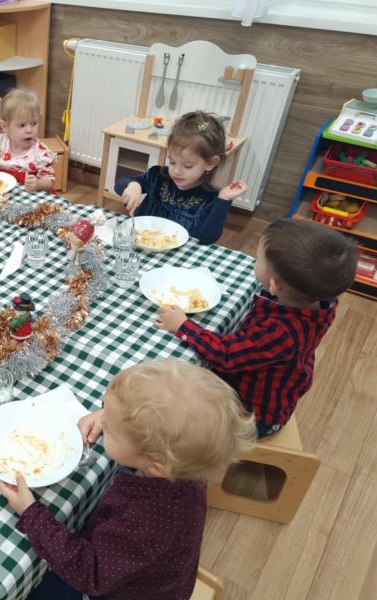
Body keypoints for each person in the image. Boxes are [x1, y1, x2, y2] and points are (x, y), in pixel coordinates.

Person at [0, 360, 256, 599]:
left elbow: (90, 573)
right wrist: (109, 417)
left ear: (156, 465)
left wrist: (32, 514)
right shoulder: (184, 466)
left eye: (111, 429)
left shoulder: (147, 523)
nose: (104, 422)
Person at [157, 219, 357, 437]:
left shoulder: (279, 332)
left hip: (252, 417)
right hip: (260, 382)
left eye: (258, 258)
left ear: (274, 285)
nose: (255, 259)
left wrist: (183, 326)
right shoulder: (321, 302)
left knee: (172, 404)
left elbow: (226, 355)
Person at [115, 110, 247, 244]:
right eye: (172, 162)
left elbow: (208, 238)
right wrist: (133, 185)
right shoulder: (158, 176)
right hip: (140, 246)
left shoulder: (210, 198)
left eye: (188, 166)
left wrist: (224, 200)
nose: (176, 171)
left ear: (210, 163)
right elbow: (119, 185)